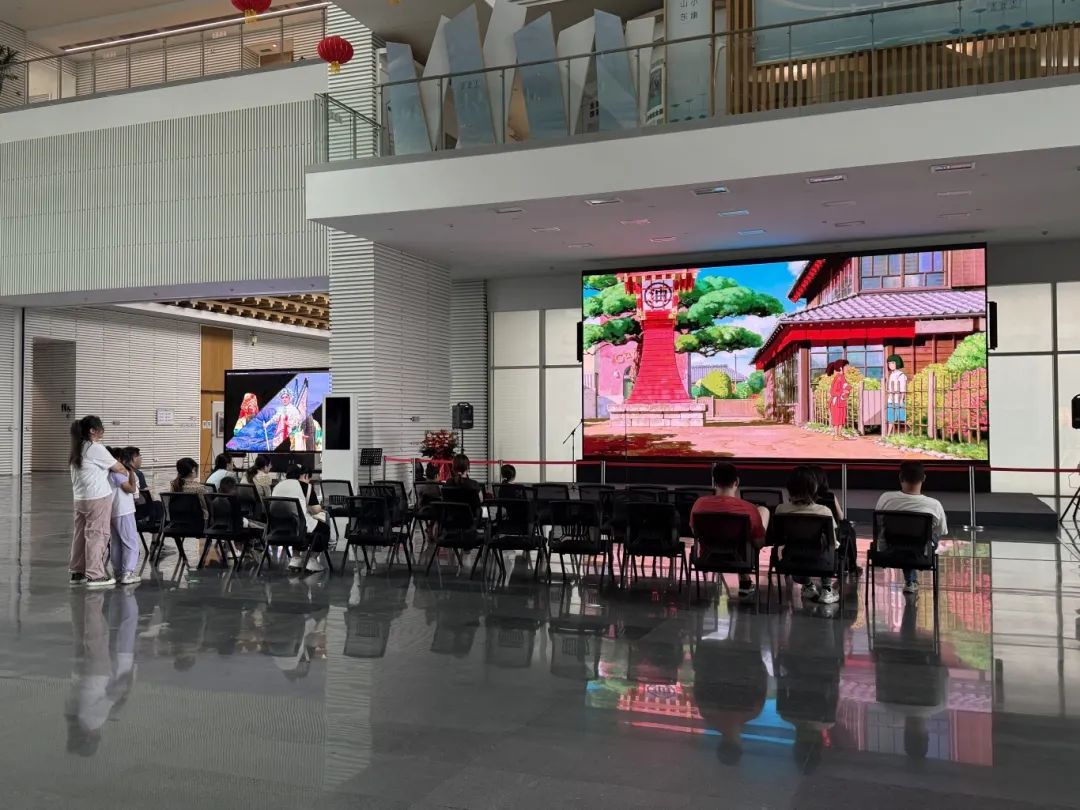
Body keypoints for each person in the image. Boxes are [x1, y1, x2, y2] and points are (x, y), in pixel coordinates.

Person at [690, 462, 770, 600]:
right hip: (740, 561)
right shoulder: (749, 509)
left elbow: (695, 533)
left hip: (707, 559)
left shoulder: (699, 504)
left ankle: (745, 579)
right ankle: (744, 579)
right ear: (736, 482)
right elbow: (759, 543)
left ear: (714, 483)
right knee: (762, 512)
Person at [69, 416, 128, 589]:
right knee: (97, 535)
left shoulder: (78, 447)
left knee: (80, 536)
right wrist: (125, 472)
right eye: (101, 427)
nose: (103, 430)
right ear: (92, 430)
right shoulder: (95, 448)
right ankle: (95, 576)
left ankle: (77, 572)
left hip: (80, 498)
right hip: (97, 498)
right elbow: (119, 467)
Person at [875, 461, 948, 595]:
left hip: (889, 551)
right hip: (921, 552)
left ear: (900, 477)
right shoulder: (934, 505)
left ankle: (910, 581)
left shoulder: (886, 498)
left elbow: (879, 523)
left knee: (904, 538)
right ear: (924, 478)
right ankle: (910, 581)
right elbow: (941, 530)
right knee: (923, 536)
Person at [775, 467, 839, 604]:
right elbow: (833, 543)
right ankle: (827, 588)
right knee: (830, 545)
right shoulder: (824, 511)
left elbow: (778, 540)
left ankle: (808, 585)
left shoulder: (780, 510)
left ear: (789, 488)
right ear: (814, 488)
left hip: (791, 562)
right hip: (820, 563)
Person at [271, 463, 330, 574]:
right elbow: (316, 510)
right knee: (323, 529)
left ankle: (296, 558)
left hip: (277, 527)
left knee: (297, 523)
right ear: (299, 474)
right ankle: (312, 560)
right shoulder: (305, 486)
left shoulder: (277, 486)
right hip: (299, 526)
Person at [108, 447, 141, 586]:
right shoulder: (119, 473)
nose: (140, 458)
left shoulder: (109, 473)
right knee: (130, 542)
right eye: (137, 456)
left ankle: (118, 572)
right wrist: (131, 471)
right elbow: (132, 489)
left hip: (113, 512)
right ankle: (127, 573)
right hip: (123, 511)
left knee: (116, 543)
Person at [828, 359, 851, 440]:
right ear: (841, 368)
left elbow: (846, 387)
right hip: (836, 402)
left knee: (842, 417)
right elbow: (833, 391)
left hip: (841, 401)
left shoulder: (842, 377)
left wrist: (848, 389)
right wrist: (843, 391)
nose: (848, 368)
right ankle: (836, 435)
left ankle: (840, 434)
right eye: (846, 366)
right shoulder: (838, 377)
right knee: (837, 418)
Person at [885, 354, 908, 437]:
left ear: (897, 363)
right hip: (891, 399)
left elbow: (903, 389)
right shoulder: (891, 374)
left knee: (901, 418)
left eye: (893, 363)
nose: (890, 365)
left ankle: (905, 434)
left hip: (898, 399)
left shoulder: (901, 375)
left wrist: (901, 399)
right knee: (890, 418)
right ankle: (888, 434)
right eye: (889, 363)